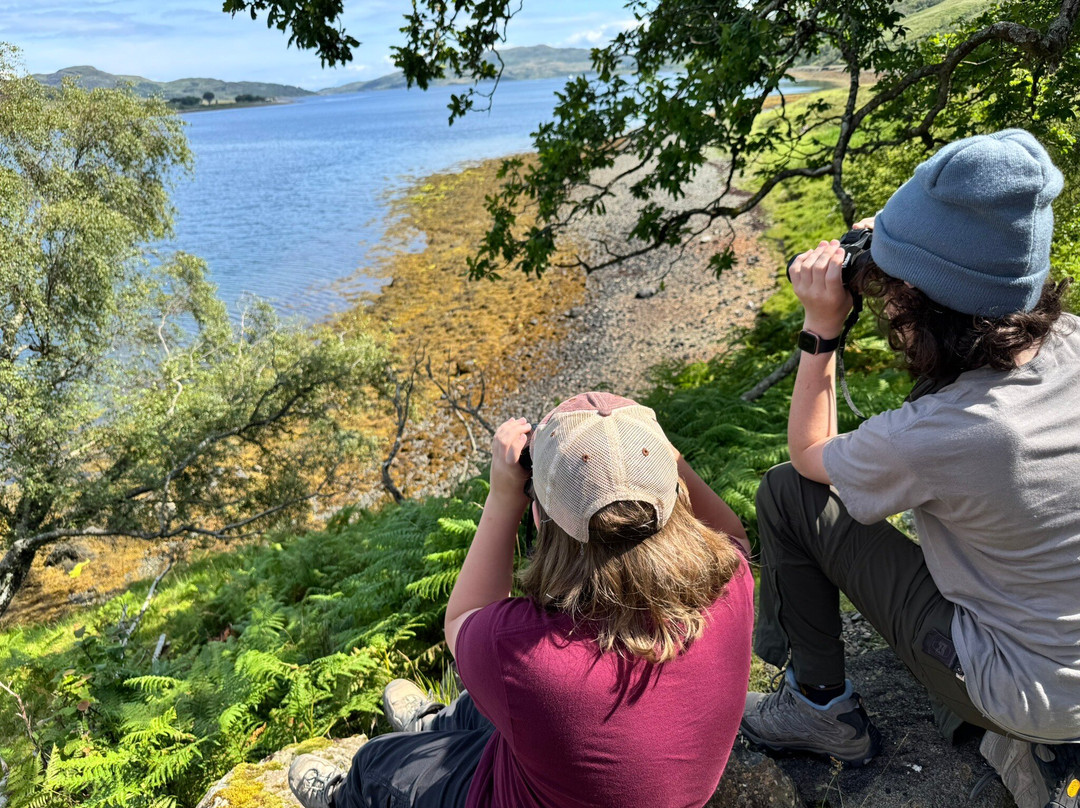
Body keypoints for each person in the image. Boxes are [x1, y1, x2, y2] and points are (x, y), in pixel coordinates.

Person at [738, 128, 1080, 808]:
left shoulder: (947, 432)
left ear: (921, 299)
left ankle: (819, 707)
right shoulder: (1070, 343)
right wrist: (901, 239)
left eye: (894, 287)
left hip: (1034, 697)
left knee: (787, 493)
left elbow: (808, 455)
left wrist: (821, 329)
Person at [288, 391, 755, 808]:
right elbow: (731, 533)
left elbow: (464, 619)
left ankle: (343, 797)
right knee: (499, 704)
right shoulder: (730, 581)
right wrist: (649, 454)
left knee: (378, 763)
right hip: (653, 789)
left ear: (538, 517)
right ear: (675, 488)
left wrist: (502, 493)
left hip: (522, 787)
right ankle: (438, 724)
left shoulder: (529, 653)